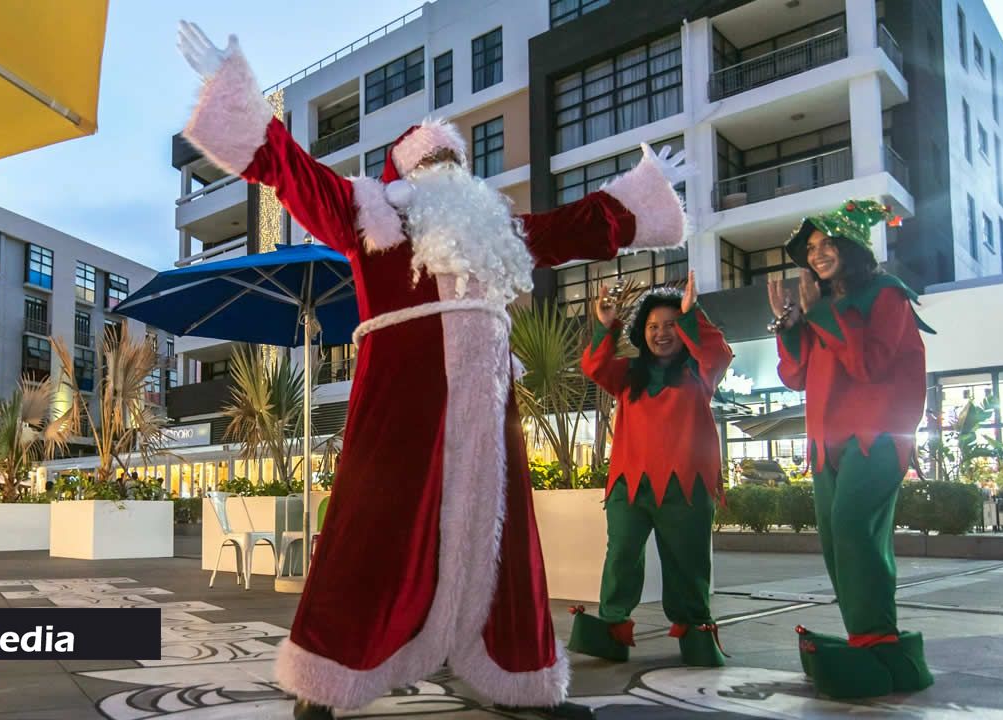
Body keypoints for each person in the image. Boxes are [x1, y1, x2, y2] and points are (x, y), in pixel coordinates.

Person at [175, 22, 691, 720]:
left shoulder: (495, 227)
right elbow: (294, 172)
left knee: (504, 544)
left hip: (488, 407)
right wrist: (235, 94)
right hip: (401, 407)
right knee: (372, 530)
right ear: (402, 176)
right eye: (430, 160)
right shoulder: (368, 214)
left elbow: (574, 226)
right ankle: (327, 679)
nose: (444, 170)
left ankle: (522, 678)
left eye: (452, 160)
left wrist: (640, 203)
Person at [766, 199, 935, 699]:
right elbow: (795, 375)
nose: (816, 254)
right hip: (826, 442)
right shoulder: (821, 306)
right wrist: (789, 327)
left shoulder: (887, 294)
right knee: (836, 538)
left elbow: (869, 364)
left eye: (827, 244)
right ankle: (867, 636)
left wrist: (821, 313)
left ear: (851, 246)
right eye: (811, 248)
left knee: (854, 527)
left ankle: (877, 639)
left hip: (877, 436)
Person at [573, 271, 732, 667]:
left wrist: (692, 314)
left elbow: (718, 354)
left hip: (687, 485)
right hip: (630, 484)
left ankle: (695, 629)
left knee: (687, 561)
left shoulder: (699, 371)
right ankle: (613, 627)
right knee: (621, 554)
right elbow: (594, 366)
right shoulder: (629, 374)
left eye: (671, 325)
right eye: (653, 326)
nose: (662, 333)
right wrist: (605, 327)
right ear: (642, 332)